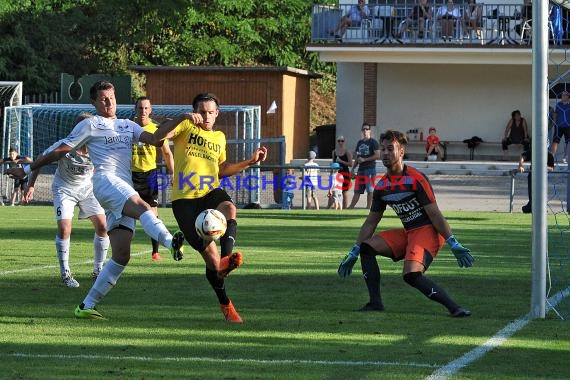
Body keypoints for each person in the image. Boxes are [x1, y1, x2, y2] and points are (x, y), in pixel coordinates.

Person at [6, 80, 186, 320]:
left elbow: (155, 140)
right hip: (104, 181)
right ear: (95, 103)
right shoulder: (90, 124)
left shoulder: (127, 125)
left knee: (122, 255)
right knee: (144, 207)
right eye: (103, 98)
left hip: (121, 188)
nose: (109, 102)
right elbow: (59, 151)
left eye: (111, 97)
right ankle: (170, 242)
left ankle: (86, 305)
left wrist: (181, 118)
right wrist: (28, 172)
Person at [337, 130, 474, 317]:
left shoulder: (416, 179)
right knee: (366, 248)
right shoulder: (382, 186)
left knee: (411, 275)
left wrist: (453, 242)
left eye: (390, 149)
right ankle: (375, 303)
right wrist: (354, 250)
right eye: (382, 149)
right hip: (409, 232)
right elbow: (371, 223)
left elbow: (434, 215)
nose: (385, 153)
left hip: (428, 232)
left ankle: (454, 308)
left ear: (401, 152)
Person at [167, 92, 267, 323]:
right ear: (194, 112)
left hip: (209, 191)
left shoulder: (220, 137)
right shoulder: (185, 127)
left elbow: (221, 169)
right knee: (212, 267)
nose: (206, 116)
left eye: (211, 112)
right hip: (184, 200)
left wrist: (250, 162)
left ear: (217, 113)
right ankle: (225, 303)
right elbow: (161, 135)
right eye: (202, 112)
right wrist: (180, 119)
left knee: (230, 209)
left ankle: (226, 258)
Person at [23, 113, 109, 288]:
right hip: (64, 188)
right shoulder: (64, 146)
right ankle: (65, 273)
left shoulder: (97, 147)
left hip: (87, 189)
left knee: (103, 226)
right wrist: (31, 185)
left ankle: (98, 270)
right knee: (64, 229)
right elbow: (40, 159)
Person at [131, 96, 175, 261]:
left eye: (146, 108)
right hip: (130, 174)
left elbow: (167, 153)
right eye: (140, 108)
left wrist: (172, 173)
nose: (143, 111)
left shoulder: (157, 130)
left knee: (152, 214)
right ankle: (122, 249)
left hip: (150, 175)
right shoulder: (129, 127)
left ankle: (155, 252)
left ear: (150, 110)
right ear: (135, 110)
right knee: (127, 214)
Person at [348, 123, 380, 209]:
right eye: (363, 129)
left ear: (370, 131)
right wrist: (353, 169)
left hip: (370, 169)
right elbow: (358, 157)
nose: (365, 131)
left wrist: (365, 159)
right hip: (361, 169)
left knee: (370, 190)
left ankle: (368, 208)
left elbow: (377, 155)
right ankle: (351, 207)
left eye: (366, 129)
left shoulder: (373, 142)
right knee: (357, 190)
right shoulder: (360, 142)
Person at [518, 142, 555, 213]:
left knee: (541, 192)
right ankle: (531, 204)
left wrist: (544, 167)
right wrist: (520, 165)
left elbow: (552, 168)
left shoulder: (549, 155)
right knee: (531, 192)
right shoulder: (533, 151)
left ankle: (541, 207)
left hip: (542, 177)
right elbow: (523, 156)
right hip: (532, 175)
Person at [332, 136, 353, 209]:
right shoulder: (334, 152)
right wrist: (331, 173)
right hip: (336, 174)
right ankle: (334, 207)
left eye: (342, 141)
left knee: (344, 192)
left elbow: (350, 164)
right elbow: (333, 163)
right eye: (339, 141)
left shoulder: (347, 152)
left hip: (345, 173)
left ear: (344, 141)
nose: (340, 142)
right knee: (334, 191)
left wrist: (341, 161)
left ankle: (344, 208)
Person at [551, 90, 570, 163]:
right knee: (555, 141)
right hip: (559, 126)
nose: (563, 96)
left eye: (565, 95)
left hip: (568, 126)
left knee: (567, 142)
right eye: (562, 95)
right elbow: (555, 114)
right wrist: (554, 123)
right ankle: (552, 157)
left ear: (568, 97)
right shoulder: (558, 104)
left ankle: (565, 157)